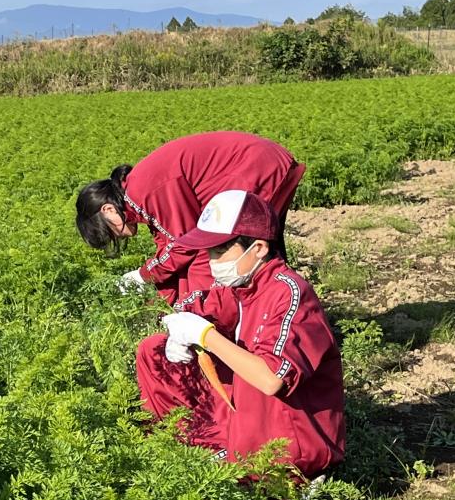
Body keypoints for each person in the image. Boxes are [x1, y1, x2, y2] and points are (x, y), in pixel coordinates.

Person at [134, 189, 344, 480]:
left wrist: (206, 336)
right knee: (154, 351)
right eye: (208, 251)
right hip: (248, 416)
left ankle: (284, 475)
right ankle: (207, 444)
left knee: (255, 378)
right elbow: (204, 305)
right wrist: (180, 325)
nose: (211, 260)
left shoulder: (290, 294)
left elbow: (272, 380)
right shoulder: (241, 287)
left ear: (258, 248)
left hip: (291, 435)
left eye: (220, 251)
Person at [74, 131, 304, 305]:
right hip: (261, 163)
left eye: (109, 232)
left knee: (219, 256)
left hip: (257, 168)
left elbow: (184, 245)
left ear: (108, 210)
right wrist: (164, 299)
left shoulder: (144, 190)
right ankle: (279, 307)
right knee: (258, 256)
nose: (117, 236)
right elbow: (170, 247)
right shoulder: (138, 195)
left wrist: (143, 276)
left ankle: (245, 321)